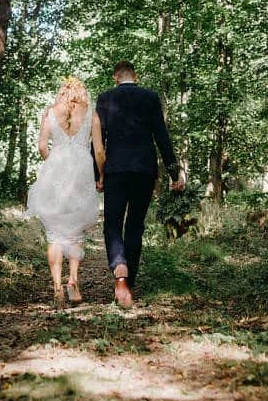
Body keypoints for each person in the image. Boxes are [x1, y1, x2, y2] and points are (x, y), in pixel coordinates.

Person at [94, 60, 184, 307]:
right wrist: (175, 172)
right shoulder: (150, 97)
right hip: (145, 170)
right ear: (136, 76)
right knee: (135, 224)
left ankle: (119, 274)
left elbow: (98, 142)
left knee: (112, 223)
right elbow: (162, 136)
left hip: (115, 170)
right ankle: (129, 282)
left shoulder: (105, 98)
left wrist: (97, 174)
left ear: (115, 77)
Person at [24, 76, 106, 308]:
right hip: (81, 172)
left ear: (62, 92)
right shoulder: (91, 113)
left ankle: (57, 288)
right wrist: (101, 175)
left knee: (55, 233)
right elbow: (99, 150)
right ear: (82, 93)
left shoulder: (50, 112)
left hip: (55, 172)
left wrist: (52, 163)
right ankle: (73, 282)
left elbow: (41, 147)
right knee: (76, 229)